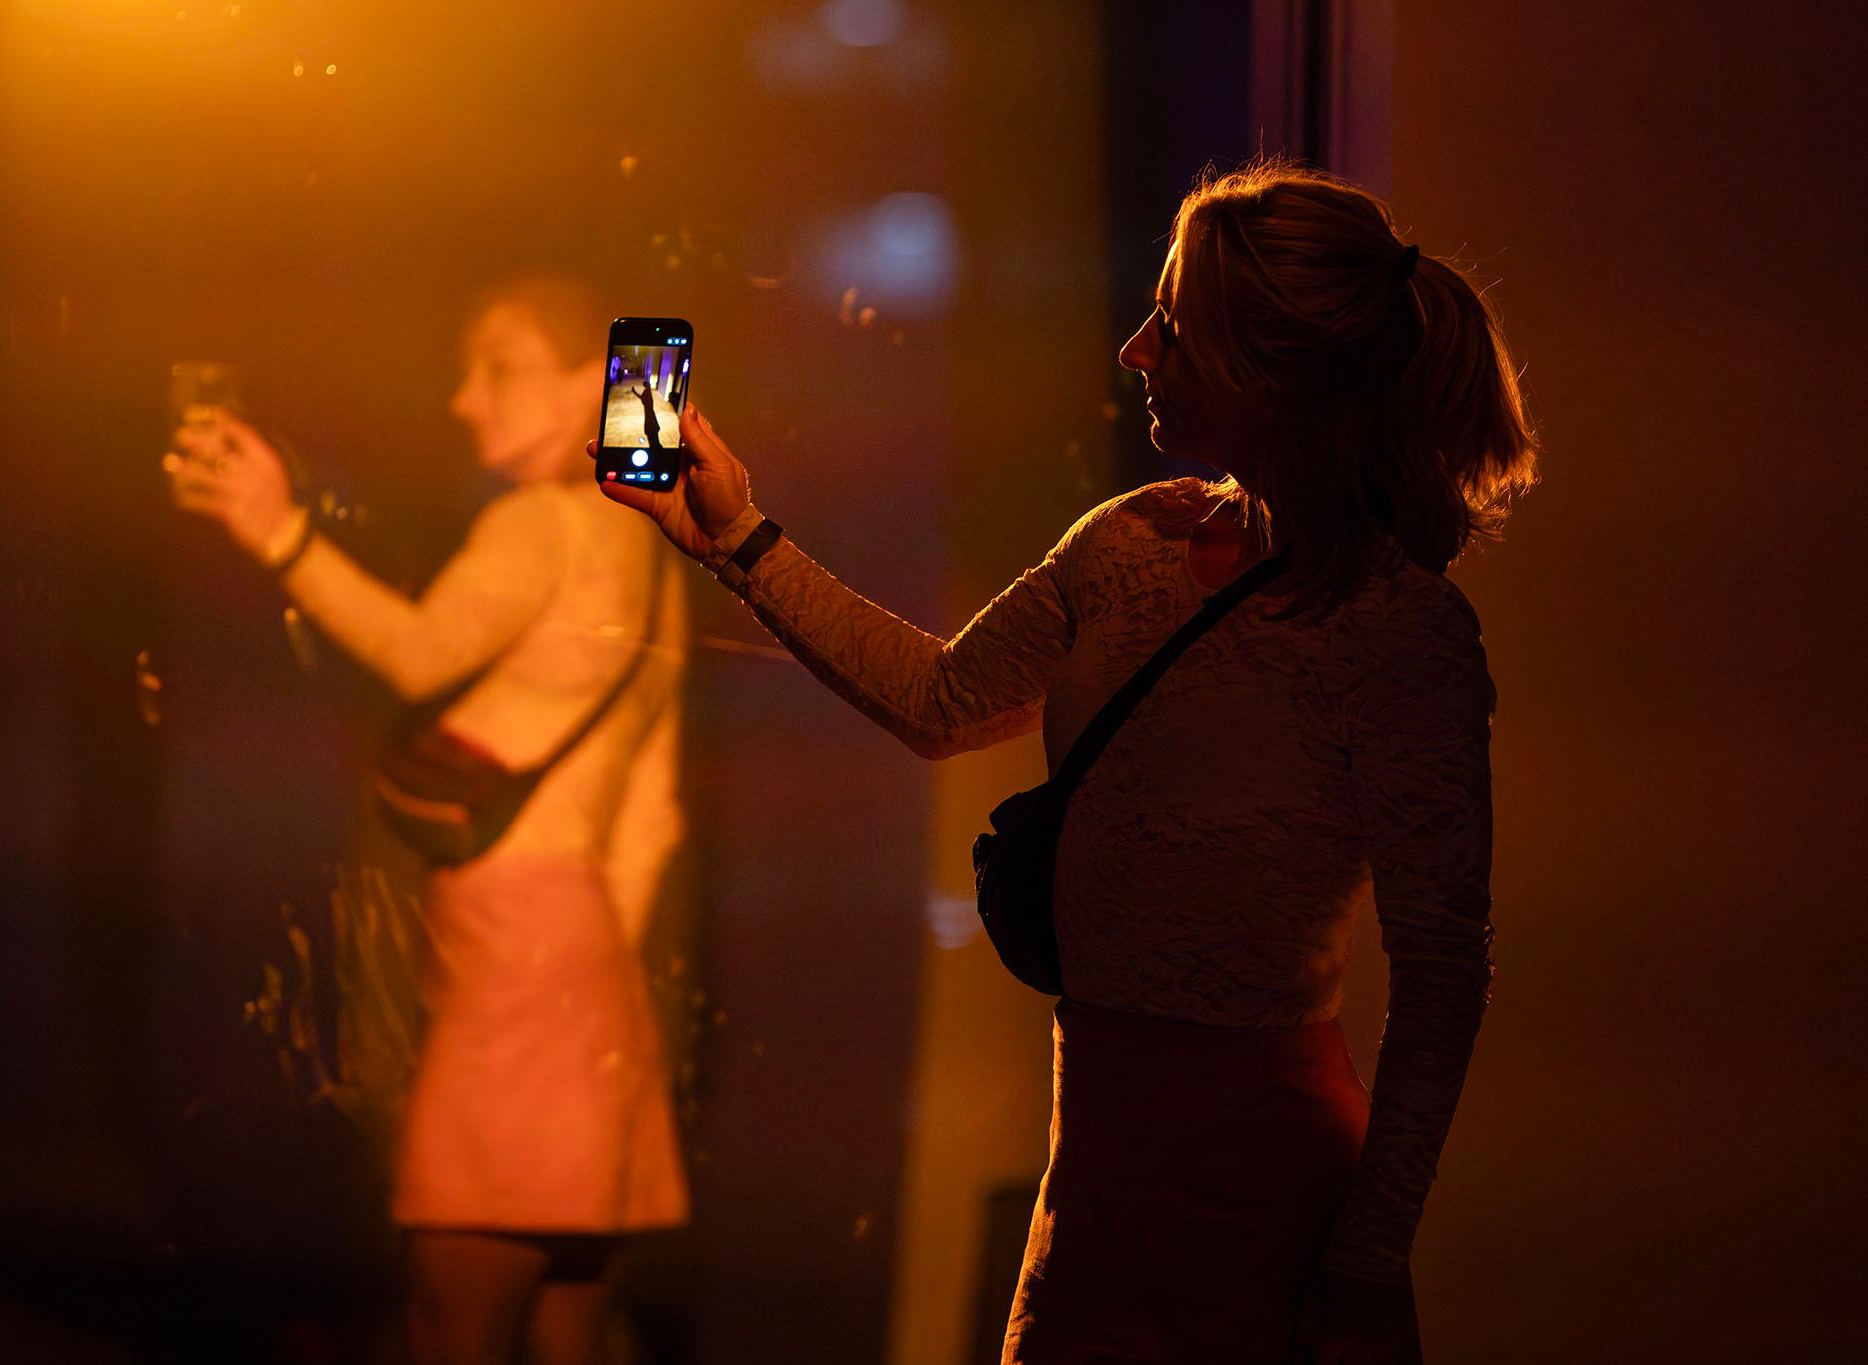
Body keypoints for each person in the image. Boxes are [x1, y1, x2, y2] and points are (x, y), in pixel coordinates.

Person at [596, 160, 1537, 1364]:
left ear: (1270, 366)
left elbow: (1443, 975)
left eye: (1174, 325)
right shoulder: (1130, 543)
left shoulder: (1396, 635)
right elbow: (941, 701)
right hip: (1094, 1171)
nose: (1134, 351)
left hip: (1261, 1200)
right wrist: (735, 534)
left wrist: (1363, 1260)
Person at [166, 277, 691, 1365]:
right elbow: (654, 818)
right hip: (592, 975)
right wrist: (583, 978)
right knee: (567, 1335)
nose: (462, 399)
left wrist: (277, 534)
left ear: (579, 386)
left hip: (509, 970)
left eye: (495, 366)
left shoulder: (536, 523)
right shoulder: (652, 556)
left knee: (449, 1331)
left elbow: (417, 652)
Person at [630, 382, 663, 453]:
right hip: (650, 414)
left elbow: (642, 398)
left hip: (649, 414)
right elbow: (643, 398)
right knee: (654, 437)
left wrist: (634, 392)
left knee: (652, 436)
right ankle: (657, 447)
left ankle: (655, 449)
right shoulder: (648, 391)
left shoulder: (647, 392)